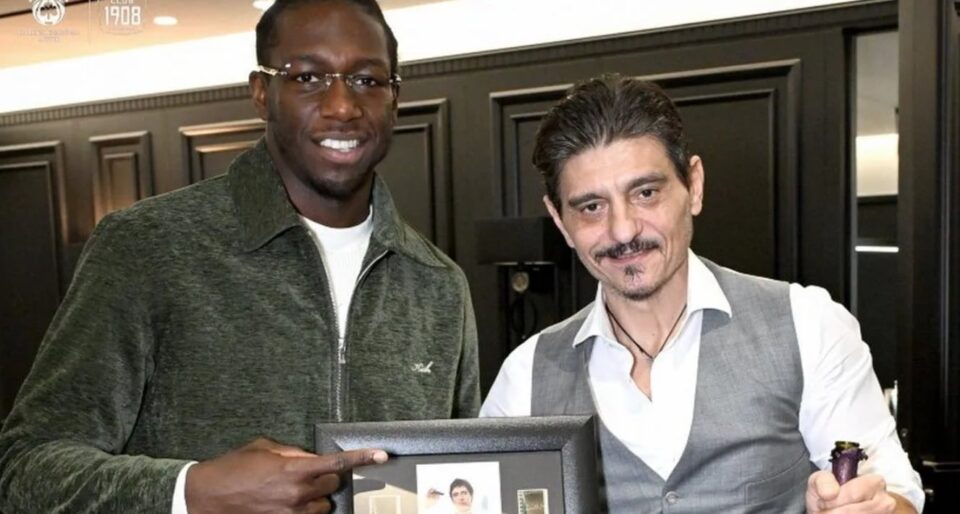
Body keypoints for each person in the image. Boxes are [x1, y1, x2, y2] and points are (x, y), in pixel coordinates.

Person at [0, 0, 479, 512]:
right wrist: (191, 490)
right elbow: (24, 470)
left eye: (367, 80)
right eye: (308, 77)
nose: (342, 105)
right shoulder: (147, 247)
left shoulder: (438, 284)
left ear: (394, 98)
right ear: (261, 93)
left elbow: (466, 479)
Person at [479, 75, 923, 513]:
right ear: (560, 220)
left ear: (694, 185)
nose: (623, 230)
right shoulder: (525, 377)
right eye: (591, 207)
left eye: (646, 193)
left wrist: (872, 508)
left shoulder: (808, 324)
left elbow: (900, 499)